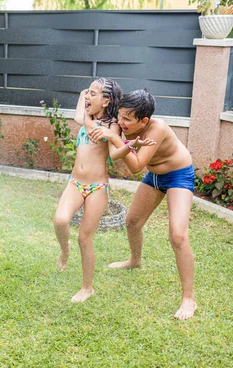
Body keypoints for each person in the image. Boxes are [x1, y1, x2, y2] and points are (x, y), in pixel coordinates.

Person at [88, 89, 197, 320]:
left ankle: (189, 298)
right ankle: (135, 261)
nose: (121, 122)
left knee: (178, 235)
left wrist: (116, 137)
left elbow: (136, 166)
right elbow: (115, 155)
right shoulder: (120, 123)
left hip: (178, 175)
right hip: (155, 177)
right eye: (120, 116)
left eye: (128, 119)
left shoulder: (157, 128)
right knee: (132, 222)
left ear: (144, 120)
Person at [54, 78, 155, 303]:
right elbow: (78, 116)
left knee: (84, 238)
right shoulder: (86, 117)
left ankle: (87, 288)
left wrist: (128, 145)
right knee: (60, 221)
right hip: (75, 182)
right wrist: (86, 97)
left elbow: (114, 154)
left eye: (93, 94)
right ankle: (64, 249)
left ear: (106, 100)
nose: (88, 97)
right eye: (88, 93)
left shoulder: (113, 126)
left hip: (97, 187)